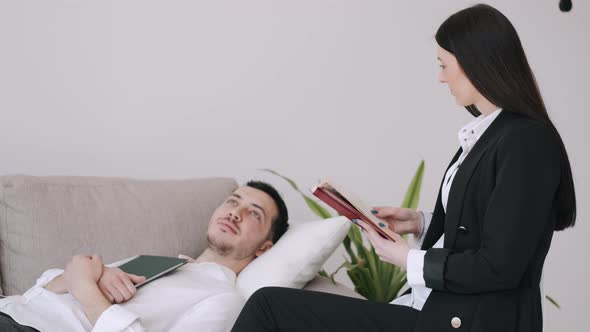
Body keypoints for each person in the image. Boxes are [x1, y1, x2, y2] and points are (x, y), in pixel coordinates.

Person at [230, 4, 576, 332]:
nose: (440, 78)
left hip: (464, 322)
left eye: (443, 64)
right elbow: (483, 225)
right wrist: (420, 222)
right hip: (431, 309)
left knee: (268, 306)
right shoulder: (491, 134)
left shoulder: (527, 142)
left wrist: (408, 259)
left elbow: (499, 266)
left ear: (474, 63)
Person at [0, 180, 289, 332]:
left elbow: (79, 287)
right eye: (232, 201)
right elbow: (41, 289)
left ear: (264, 247)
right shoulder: (157, 263)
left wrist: (86, 288)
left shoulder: (225, 300)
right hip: (12, 309)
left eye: (254, 213)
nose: (234, 213)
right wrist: (77, 274)